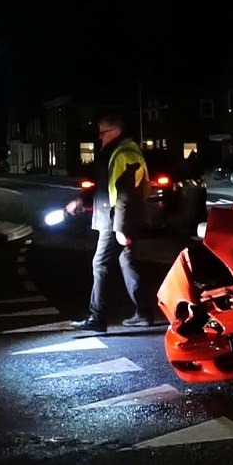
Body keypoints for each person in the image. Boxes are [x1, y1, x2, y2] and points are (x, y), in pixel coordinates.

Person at [66, 115, 156, 332]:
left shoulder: (124, 154)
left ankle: (97, 317)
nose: (100, 137)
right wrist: (82, 201)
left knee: (100, 264)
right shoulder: (117, 153)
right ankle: (144, 313)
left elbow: (126, 193)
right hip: (116, 219)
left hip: (115, 221)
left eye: (103, 133)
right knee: (128, 263)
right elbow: (107, 187)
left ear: (116, 131)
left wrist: (120, 228)